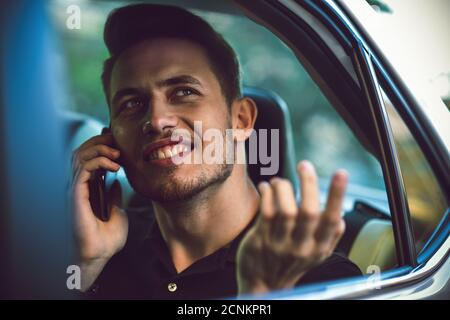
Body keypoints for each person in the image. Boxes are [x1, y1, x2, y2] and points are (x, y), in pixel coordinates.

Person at [70, 3, 361, 299]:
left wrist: (261, 294)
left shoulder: (321, 278)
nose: (156, 120)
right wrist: (85, 266)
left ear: (241, 119)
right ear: (110, 141)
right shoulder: (103, 250)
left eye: (184, 92)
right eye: (131, 104)